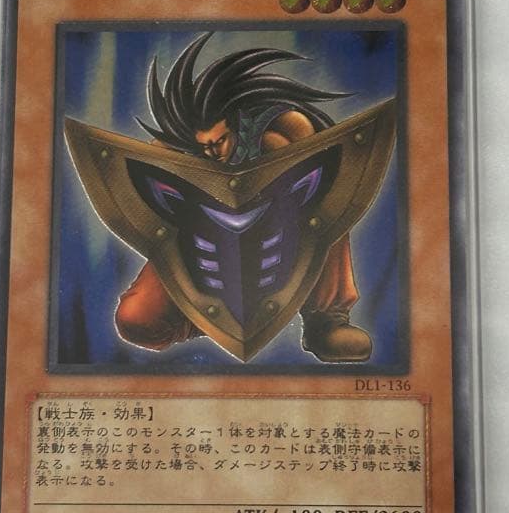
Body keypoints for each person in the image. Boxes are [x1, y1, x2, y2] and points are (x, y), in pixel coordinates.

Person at [115, 33, 372, 362]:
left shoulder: (279, 133)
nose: (212, 151)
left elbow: (314, 163)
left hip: (282, 229)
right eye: (204, 146)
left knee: (328, 201)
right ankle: (208, 319)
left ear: (234, 125)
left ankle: (325, 320)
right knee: (137, 319)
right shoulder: (181, 146)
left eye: (218, 142)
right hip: (203, 241)